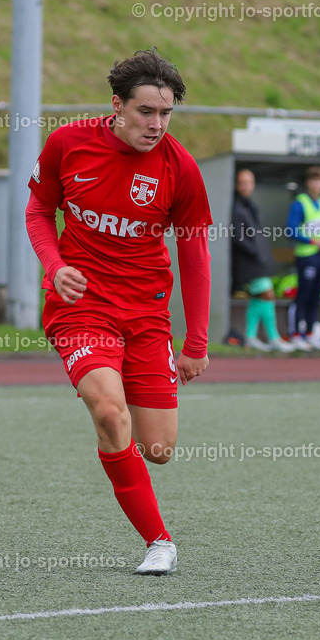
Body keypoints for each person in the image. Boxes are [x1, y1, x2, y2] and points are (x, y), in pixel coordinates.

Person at [25, 49, 212, 575]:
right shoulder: (68, 144)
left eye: (166, 113)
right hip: (80, 307)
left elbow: (195, 254)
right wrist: (54, 263)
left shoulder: (181, 168)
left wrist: (195, 343)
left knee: (157, 448)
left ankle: (119, 411)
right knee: (110, 413)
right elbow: (39, 210)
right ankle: (160, 541)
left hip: (147, 316)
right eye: (146, 112)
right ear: (117, 106)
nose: (156, 124)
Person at [230, 168, 294, 352]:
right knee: (268, 295)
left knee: (259, 299)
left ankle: (250, 338)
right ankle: (274, 338)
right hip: (249, 264)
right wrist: (256, 253)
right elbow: (238, 237)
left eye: (249, 182)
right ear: (237, 184)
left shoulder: (249, 205)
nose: (245, 186)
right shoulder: (237, 207)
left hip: (257, 262)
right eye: (242, 182)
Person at [286, 165, 320, 351]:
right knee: (303, 295)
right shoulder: (300, 203)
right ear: (308, 183)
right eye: (314, 180)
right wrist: (311, 241)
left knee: (316, 296)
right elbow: (290, 229)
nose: (317, 184)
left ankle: (310, 334)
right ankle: (296, 334)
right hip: (306, 256)